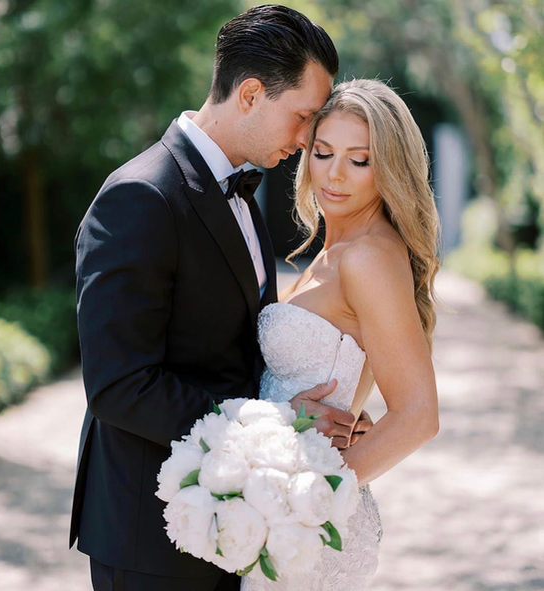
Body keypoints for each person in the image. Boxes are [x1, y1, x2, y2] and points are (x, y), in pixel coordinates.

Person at [69, 6, 373, 591]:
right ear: (252, 93)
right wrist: (275, 426)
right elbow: (118, 384)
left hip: (237, 529)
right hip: (151, 534)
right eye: (304, 117)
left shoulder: (241, 193)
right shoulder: (139, 197)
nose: (309, 140)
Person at [241, 79, 441, 590]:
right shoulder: (335, 251)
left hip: (305, 522)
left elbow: (418, 416)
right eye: (324, 152)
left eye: (360, 160)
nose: (334, 174)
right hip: (277, 506)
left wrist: (312, 497)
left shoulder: (369, 257)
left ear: (389, 168)